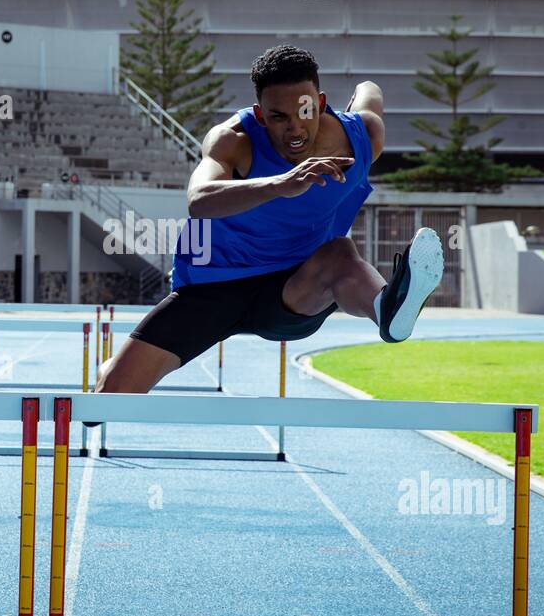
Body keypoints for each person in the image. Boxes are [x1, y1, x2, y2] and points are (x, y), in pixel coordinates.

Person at [96, 44, 443, 397]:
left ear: (321, 104)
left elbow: (371, 92)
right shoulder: (234, 140)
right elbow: (198, 201)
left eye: (305, 111)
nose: (294, 128)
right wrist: (280, 184)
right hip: (209, 289)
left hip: (292, 289)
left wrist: (365, 88)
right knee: (108, 398)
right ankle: (112, 370)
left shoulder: (360, 138)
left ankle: (387, 308)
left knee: (339, 251)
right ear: (261, 115)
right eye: (278, 117)